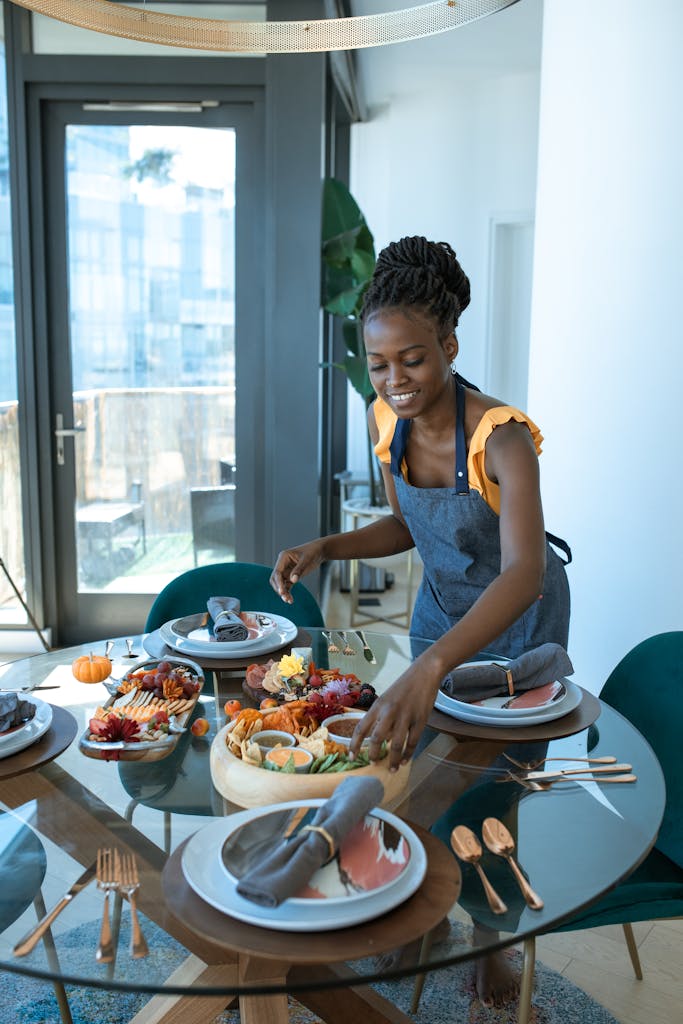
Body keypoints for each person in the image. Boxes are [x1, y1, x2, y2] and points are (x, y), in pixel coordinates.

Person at [270, 234, 570, 1006]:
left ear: (448, 345)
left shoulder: (500, 437)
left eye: (413, 359)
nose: (395, 379)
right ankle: (425, 910)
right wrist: (326, 545)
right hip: (441, 611)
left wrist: (429, 666)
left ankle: (490, 937)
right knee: (421, 775)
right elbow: (408, 527)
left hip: (518, 623)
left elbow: (524, 572)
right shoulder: (387, 422)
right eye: (379, 364)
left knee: (495, 787)